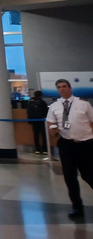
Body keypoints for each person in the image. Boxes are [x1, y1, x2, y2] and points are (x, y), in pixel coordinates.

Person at [46, 79, 93, 219]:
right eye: (59, 87)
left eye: (64, 86)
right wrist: (52, 130)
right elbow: (50, 122)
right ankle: (77, 207)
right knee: (69, 178)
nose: (62, 89)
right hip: (67, 145)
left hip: (85, 144)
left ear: (70, 88)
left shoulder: (83, 103)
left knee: (89, 175)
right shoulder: (54, 106)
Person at [27, 90, 49, 154]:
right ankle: (45, 149)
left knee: (36, 135)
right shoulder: (42, 102)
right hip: (42, 121)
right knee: (44, 135)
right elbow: (46, 111)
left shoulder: (30, 102)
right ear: (41, 95)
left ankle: (37, 149)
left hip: (33, 121)